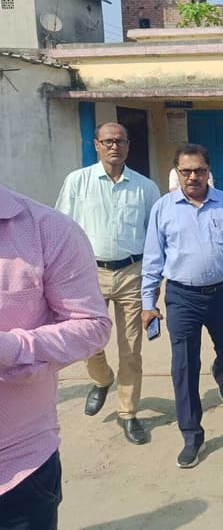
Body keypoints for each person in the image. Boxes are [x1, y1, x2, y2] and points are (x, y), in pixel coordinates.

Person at [141, 143, 223, 469]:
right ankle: (192, 435)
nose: (193, 177)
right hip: (182, 297)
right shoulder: (163, 209)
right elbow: (153, 258)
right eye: (186, 171)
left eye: (199, 171)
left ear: (209, 172)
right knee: (184, 366)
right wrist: (148, 302)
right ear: (176, 173)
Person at [0, 184, 111, 529]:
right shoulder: (78, 182)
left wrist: (13, 349)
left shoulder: (46, 229)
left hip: (18, 468)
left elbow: (92, 325)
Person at [55, 122, 160, 445]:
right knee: (87, 340)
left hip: (132, 272)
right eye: (108, 141)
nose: (114, 146)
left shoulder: (145, 187)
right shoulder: (78, 181)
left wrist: (153, 285)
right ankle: (102, 379)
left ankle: (128, 413)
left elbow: (154, 237)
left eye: (120, 141)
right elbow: (62, 227)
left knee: (131, 350)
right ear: (97, 145)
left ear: (128, 145)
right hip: (88, 273)